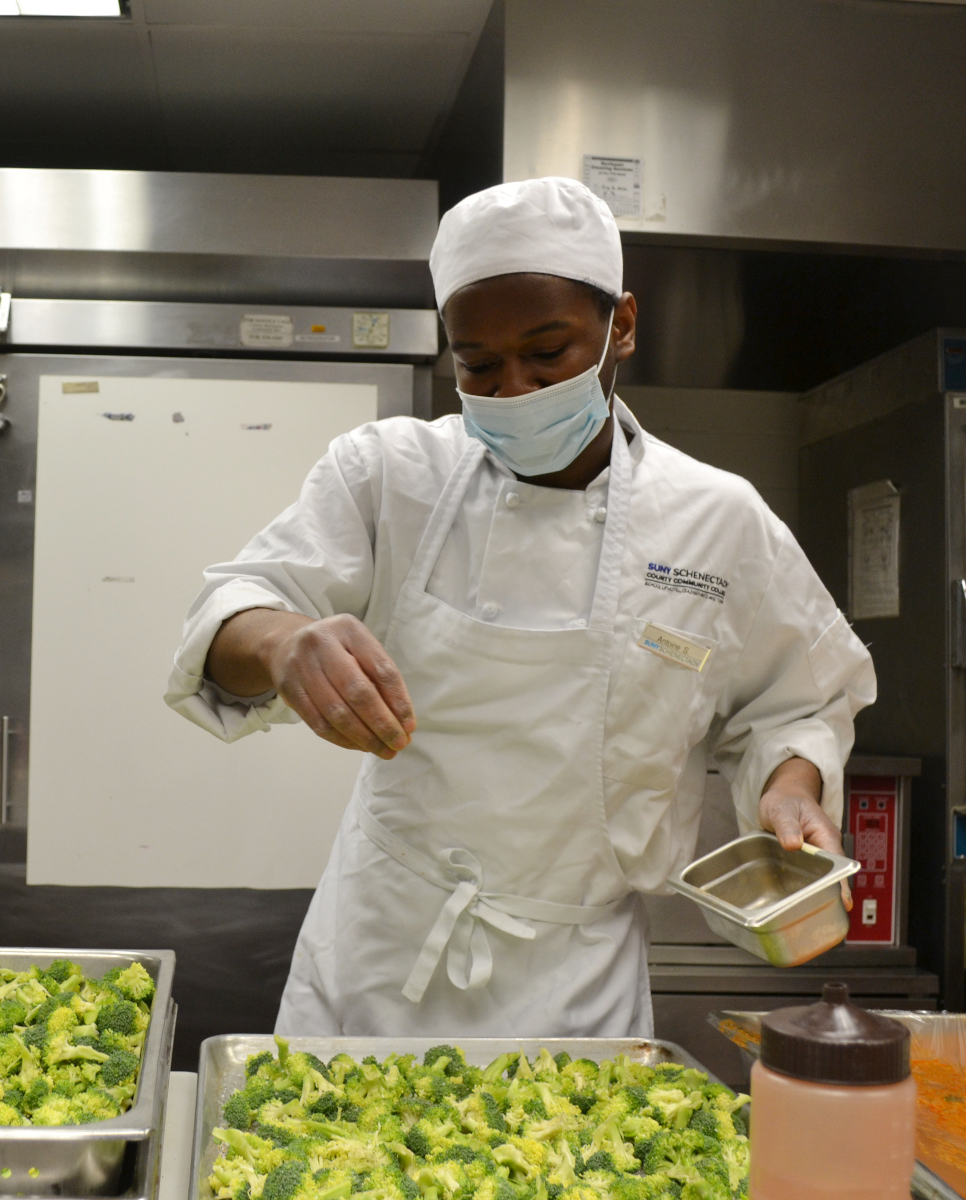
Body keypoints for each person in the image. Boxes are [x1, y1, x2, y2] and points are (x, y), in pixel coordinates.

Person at [164, 177, 875, 1037]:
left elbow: (797, 700)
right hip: (382, 957)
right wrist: (284, 644)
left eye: (549, 354)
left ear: (622, 325)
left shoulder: (716, 521)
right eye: (479, 365)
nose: (514, 391)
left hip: (576, 984)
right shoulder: (390, 476)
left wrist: (793, 785)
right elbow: (237, 607)